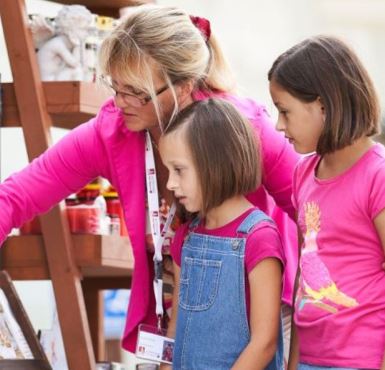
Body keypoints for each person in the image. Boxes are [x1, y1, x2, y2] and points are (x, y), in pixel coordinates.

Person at [0, 4, 298, 354]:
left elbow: (314, 209)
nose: (118, 101)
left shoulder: (246, 128)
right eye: (115, 85)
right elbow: (16, 195)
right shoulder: (112, 129)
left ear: (184, 86)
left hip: (263, 315)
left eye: (136, 91)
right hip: (180, 317)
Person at [268, 35, 385, 370]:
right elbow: (305, 273)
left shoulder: (378, 175)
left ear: (322, 105)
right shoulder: (302, 174)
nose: (279, 125)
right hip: (310, 359)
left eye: (284, 111)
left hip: (362, 361)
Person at [159, 98, 284, 370]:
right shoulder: (185, 237)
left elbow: (264, 343)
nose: (170, 183)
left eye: (179, 170)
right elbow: (176, 325)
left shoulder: (259, 236)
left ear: (214, 164)